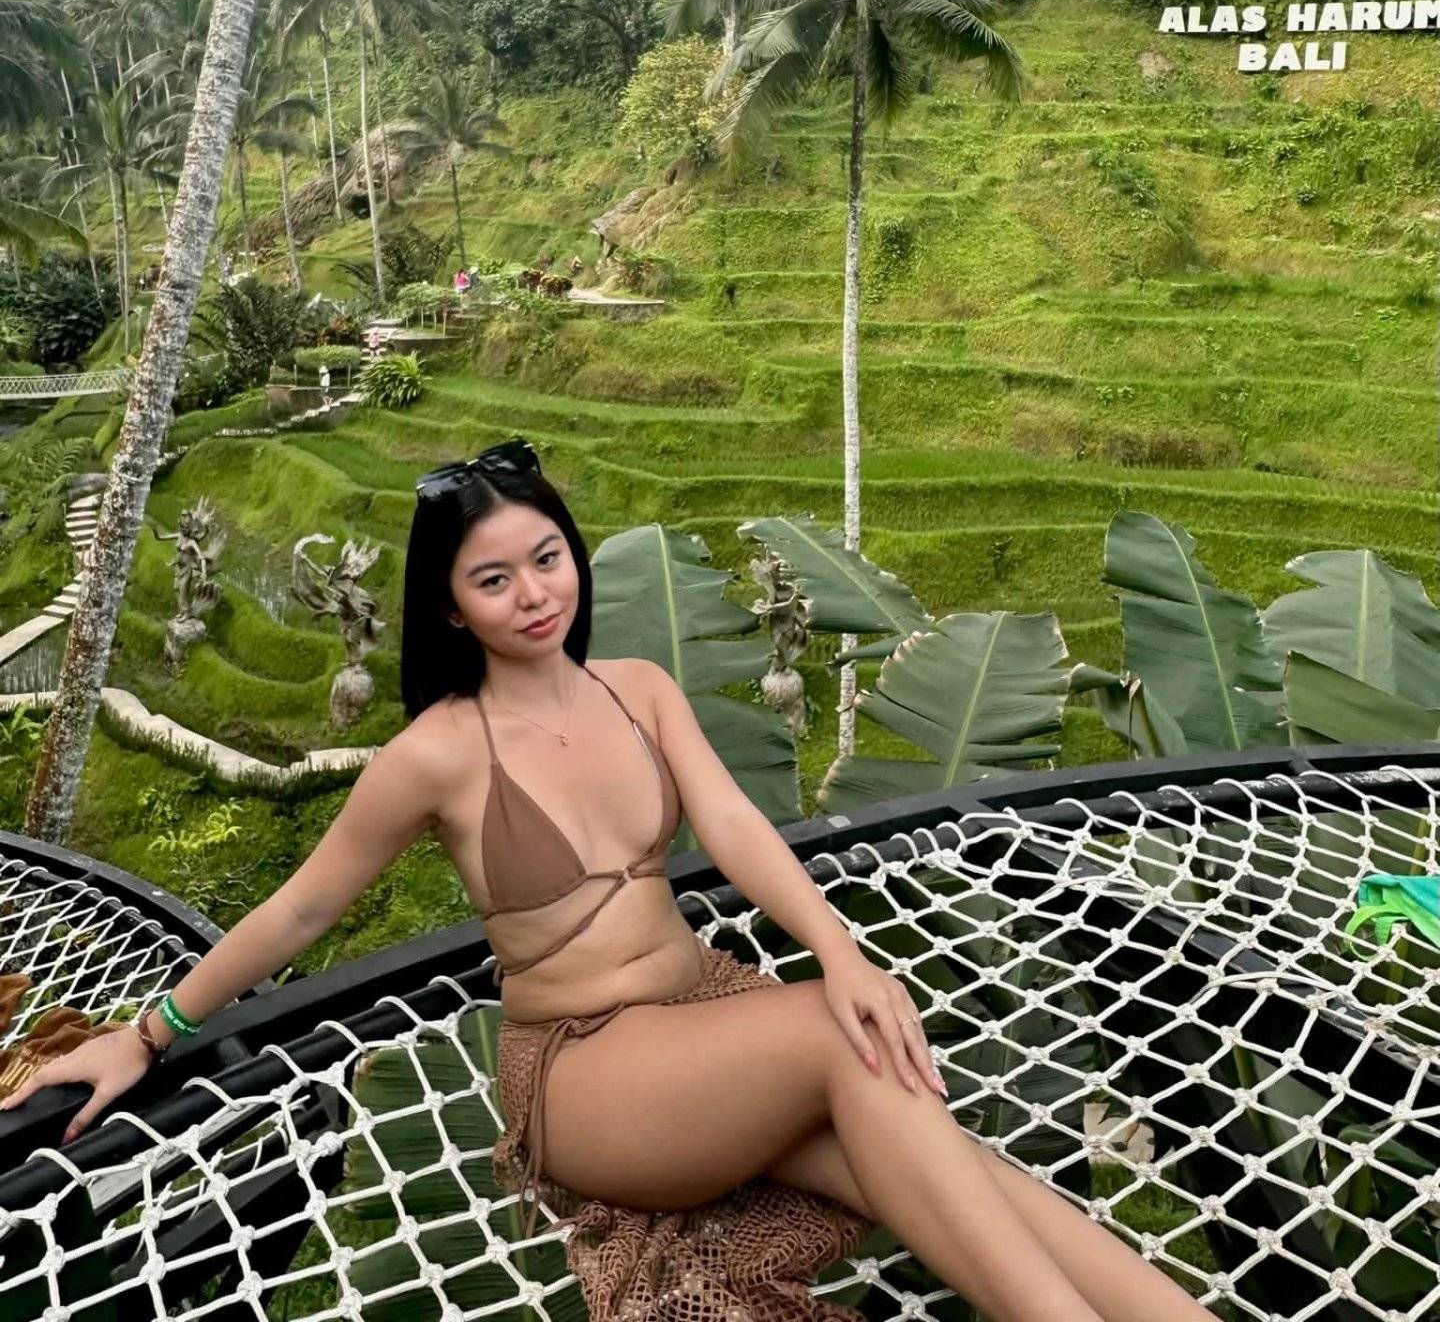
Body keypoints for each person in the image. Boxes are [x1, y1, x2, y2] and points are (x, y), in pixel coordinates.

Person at [5, 438, 1209, 1322]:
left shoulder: (639, 688)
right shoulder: (436, 752)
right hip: (585, 1072)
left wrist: (841, 950)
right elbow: (304, 906)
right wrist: (149, 1035)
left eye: (547, 558)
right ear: (450, 607)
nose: (535, 594)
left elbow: (733, 826)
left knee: (967, 1177)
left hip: (710, 1020)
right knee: (850, 1045)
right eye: (494, 580)